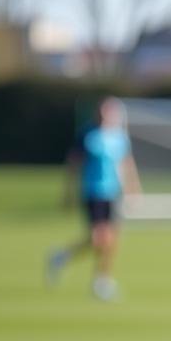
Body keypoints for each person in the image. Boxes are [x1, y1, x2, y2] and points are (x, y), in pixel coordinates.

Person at [47, 97, 140, 301]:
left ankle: (100, 279)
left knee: (111, 239)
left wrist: (133, 187)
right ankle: (63, 257)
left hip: (113, 192)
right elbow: (74, 163)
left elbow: (126, 162)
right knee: (99, 237)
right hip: (93, 191)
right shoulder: (87, 135)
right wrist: (68, 191)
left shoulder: (119, 137)